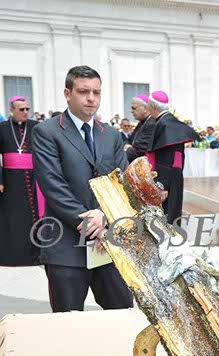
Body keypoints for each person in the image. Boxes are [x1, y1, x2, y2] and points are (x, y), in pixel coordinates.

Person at [32, 65, 133, 313]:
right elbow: (53, 186)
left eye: (96, 92)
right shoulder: (47, 132)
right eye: (83, 91)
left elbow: (121, 183)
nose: (91, 98)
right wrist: (90, 222)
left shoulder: (111, 135)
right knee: (68, 320)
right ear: (68, 94)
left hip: (108, 242)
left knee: (122, 314)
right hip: (66, 244)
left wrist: (104, 216)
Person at [146, 90, 199, 225]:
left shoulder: (164, 124)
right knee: (171, 213)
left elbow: (167, 157)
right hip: (173, 176)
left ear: (152, 107)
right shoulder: (169, 121)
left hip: (166, 178)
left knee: (166, 217)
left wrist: (162, 185)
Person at [0, 95, 41, 265]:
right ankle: (12, 255)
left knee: (32, 215)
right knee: (12, 217)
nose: (25, 112)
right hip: (10, 181)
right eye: (21, 109)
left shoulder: (35, 127)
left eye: (27, 109)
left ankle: (35, 254)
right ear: (11, 110)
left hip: (33, 178)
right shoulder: (2, 128)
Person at [123, 94, 155, 163]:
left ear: (145, 108)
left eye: (134, 108)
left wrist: (124, 153)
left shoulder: (151, 124)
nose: (131, 111)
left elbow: (139, 151)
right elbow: (129, 140)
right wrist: (126, 146)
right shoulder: (141, 123)